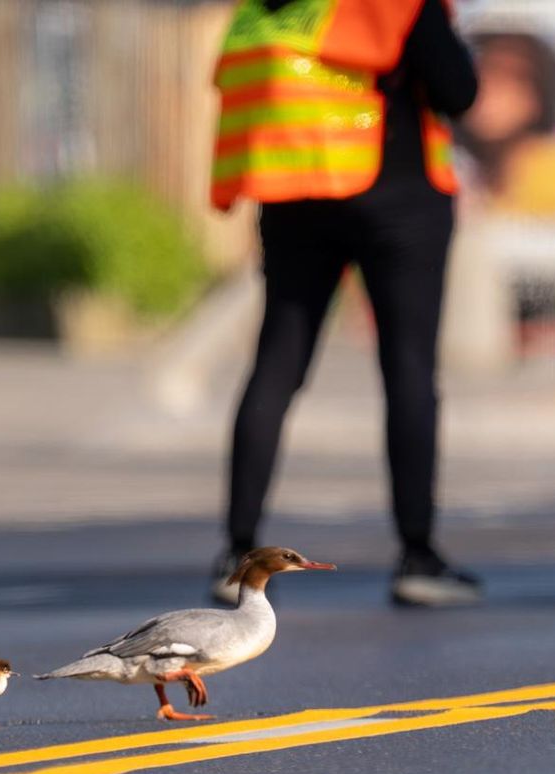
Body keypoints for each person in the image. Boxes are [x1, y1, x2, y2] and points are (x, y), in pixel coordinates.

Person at [209, 0, 481, 607]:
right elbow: (458, 91)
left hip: (294, 197)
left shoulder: (265, 11)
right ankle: (418, 558)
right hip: (398, 198)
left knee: (276, 367)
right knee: (408, 370)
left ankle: (237, 554)